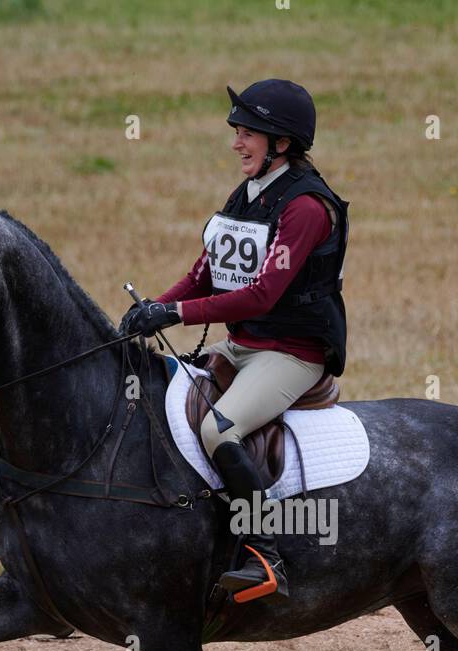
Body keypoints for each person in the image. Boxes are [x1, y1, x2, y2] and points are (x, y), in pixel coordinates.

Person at [121, 79, 349, 603]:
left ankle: (265, 552)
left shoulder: (307, 208)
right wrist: (153, 309)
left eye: (248, 134)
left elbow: (262, 296)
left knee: (219, 431)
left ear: (282, 144)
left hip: (292, 355)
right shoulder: (248, 195)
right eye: (237, 132)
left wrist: (175, 313)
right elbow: (204, 275)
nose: (236, 143)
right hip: (242, 347)